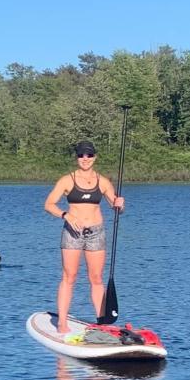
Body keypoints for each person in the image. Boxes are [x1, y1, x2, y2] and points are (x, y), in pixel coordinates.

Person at [43, 140, 125, 334]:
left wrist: (120, 205)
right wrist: (66, 215)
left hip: (96, 232)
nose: (85, 159)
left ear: (95, 157)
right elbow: (49, 204)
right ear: (77, 158)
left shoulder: (103, 181)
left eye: (89, 155)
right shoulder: (67, 180)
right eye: (81, 155)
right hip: (72, 233)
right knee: (69, 277)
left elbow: (116, 207)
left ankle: (102, 323)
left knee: (96, 278)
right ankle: (62, 323)